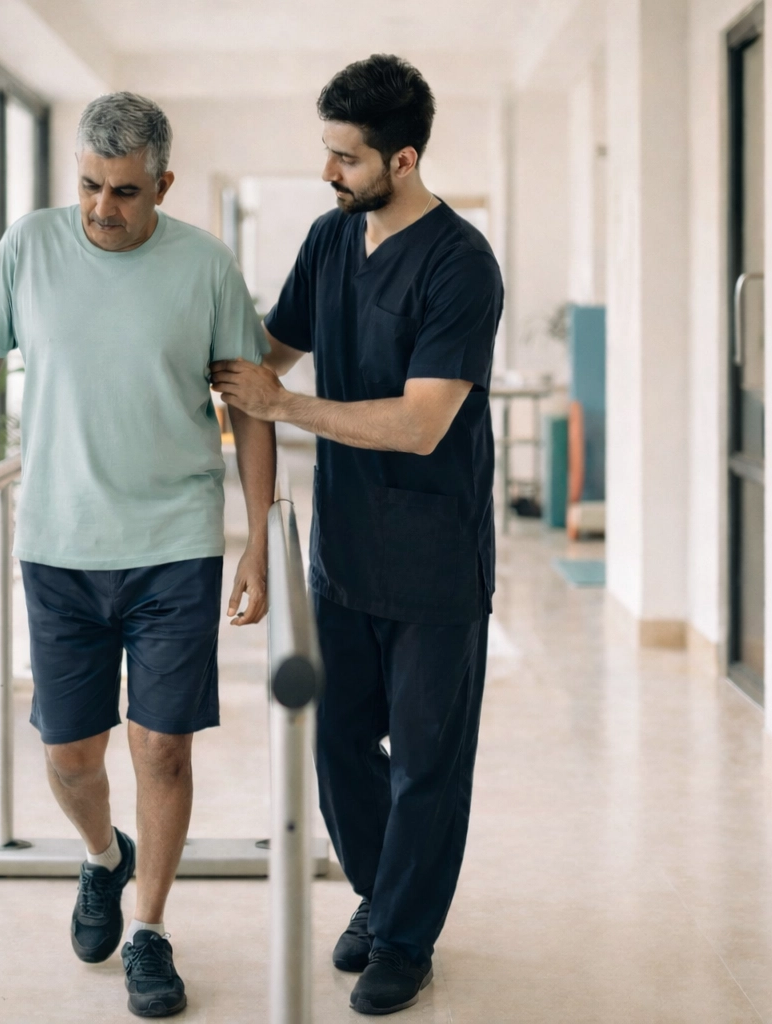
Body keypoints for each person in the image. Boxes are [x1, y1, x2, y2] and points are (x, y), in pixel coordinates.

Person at [0, 92, 273, 1019]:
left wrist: (258, 537)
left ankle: (149, 931)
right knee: (68, 756)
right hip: (60, 545)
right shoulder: (30, 246)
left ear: (164, 185)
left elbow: (248, 407)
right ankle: (105, 857)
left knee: (164, 749)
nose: (105, 207)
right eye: (92, 186)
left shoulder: (206, 267)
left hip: (175, 544)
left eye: (127, 191)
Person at [211, 54, 502, 1016]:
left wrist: (289, 407)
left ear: (403, 158)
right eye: (326, 152)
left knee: (425, 763)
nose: (328, 173)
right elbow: (268, 349)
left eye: (346, 158)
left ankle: (406, 939)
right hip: (344, 551)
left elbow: (422, 422)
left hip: (433, 560)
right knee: (337, 739)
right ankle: (382, 899)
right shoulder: (331, 241)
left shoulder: (462, 265)